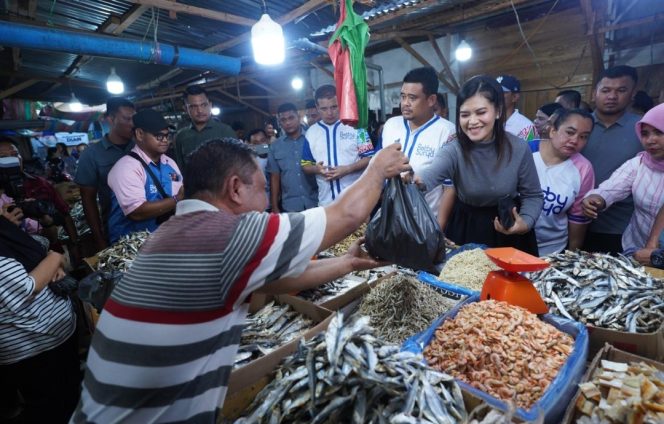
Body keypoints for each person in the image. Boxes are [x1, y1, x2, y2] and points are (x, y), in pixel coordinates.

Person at [71, 138, 410, 423]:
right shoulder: (226, 235)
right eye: (263, 190)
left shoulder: (169, 234)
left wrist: (348, 263)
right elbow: (346, 215)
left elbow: (271, 282)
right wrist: (378, 167)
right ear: (235, 188)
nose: (267, 203)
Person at [416, 75, 543, 255]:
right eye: (465, 114)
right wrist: (412, 181)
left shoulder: (518, 148)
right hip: (466, 227)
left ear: (498, 111)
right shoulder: (454, 148)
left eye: (481, 112)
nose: (472, 121)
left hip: (507, 228)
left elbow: (533, 195)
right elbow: (428, 176)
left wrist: (525, 222)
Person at [0, 217, 80, 423]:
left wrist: (47, 265)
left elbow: (35, 246)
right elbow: (26, 287)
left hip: (54, 335)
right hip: (35, 349)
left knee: (70, 395)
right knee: (54, 408)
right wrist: (54, 258)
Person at [582, 103, 664, 258]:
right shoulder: (639, 164)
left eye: (659, 132)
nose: (650, 140)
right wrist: (597, 199)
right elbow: (613, 187)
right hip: (635, 247)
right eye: (645, 134)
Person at [581, 65, 642, 254]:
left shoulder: (643, 129)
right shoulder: (578, 125)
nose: (612, 96)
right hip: (574, 220)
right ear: (594, 93)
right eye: (606, 90)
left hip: (620, 226)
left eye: (621, 90)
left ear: (632, 93)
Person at [381, 67, 456, 216]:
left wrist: (438, 229)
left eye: (412, 98)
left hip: (426, 221)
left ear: (431, 100)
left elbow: (449, 188)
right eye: (403, 97)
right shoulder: (391, 125)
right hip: (391, 218)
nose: (405, 103)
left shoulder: (447, 131)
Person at [106, 109, 183, 243]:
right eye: (159, 136)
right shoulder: (126, 168)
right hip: (133, 245)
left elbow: (180, 193)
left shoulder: (170, 163)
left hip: (165, 239)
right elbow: (137, 213)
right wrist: (177, 199)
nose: (165, 140)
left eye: (167, 135)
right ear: (140, 134)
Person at [75, 97, 135, 251]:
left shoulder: (142, 146)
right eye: (127, 119)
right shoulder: (91, 155)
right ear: (110, 119)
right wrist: (99, 239)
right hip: (117, 227)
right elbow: (88, 200)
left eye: (134, 118)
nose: (133, 124)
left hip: (150, 222)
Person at [532, 109, 595, 255]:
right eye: (570, 132)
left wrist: (572, 256)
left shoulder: (583, 169)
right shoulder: (524, 150)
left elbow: (578, 218)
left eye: (583, 137)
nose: (575, 140)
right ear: (553, 130)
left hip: (551, 251)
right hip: (510, 244)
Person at [0, 139, 79, 254]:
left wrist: (74, 244)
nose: (12, 160)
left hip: (51, 257)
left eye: (15, 154)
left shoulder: (40, 183)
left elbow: (64, 214)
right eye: (2, 157)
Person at [301, 84, 375, 206]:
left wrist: (347, 169)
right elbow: (305, 165)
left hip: (356, 202)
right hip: (326, 204)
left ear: (340, 103)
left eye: (334, 107)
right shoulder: (311, 133)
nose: (330, 113)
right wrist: (317, 169)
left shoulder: (357, 127)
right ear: (317, 107)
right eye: (324, 109)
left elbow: (369, 158)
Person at [268, 103, 318, 213]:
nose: (288, 122)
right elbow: (275, 178)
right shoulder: (275, 147)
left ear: (298, 117)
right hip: (290, 207)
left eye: (291, 118)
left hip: (316, 202)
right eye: (283, 120)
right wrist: (274, 206)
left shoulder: (312, 139)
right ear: (279, 122)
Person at [174, 85, 235, 169]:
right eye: (194, 106)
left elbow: (236, 165)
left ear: (210, 105)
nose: (200, 110)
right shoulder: (181, 136)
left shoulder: (225, 131)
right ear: (186, 109)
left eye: (204, 105)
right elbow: (180, 169)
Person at [496, 74, 538, 142]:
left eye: (502, 92)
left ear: (515, 97)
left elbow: (531, 151)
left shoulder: (528, 127)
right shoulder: (489, 121)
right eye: (494, 92)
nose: (496, 95)